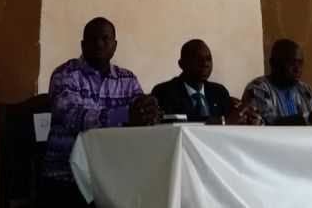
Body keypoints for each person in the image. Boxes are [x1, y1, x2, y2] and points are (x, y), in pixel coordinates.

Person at [41, 17, 161, 208]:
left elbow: (141, 113)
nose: (99, 44)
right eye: (93, 39)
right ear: (82, 44)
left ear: (115, 45)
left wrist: (150, 113)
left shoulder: (128, 79)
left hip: (115, 176)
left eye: (105, 39)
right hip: (67, 176)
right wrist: (124, 115)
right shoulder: (65, 74)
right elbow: (72, 116)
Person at [151, 39, 261, 125]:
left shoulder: (219, 92)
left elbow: (233, 122)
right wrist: (223, 121)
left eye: (208, 59)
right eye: (197, 58)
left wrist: (248, 120)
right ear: (181, 64)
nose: (205, 64)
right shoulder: (165, 91)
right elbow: (174, 125)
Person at [242, 38, 312, 125]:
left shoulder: (307, 91)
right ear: (273, 63)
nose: (297, 69)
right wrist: (308, 118)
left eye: (300, 63)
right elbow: (268, 123)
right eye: (291, 62)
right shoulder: (258, 88)